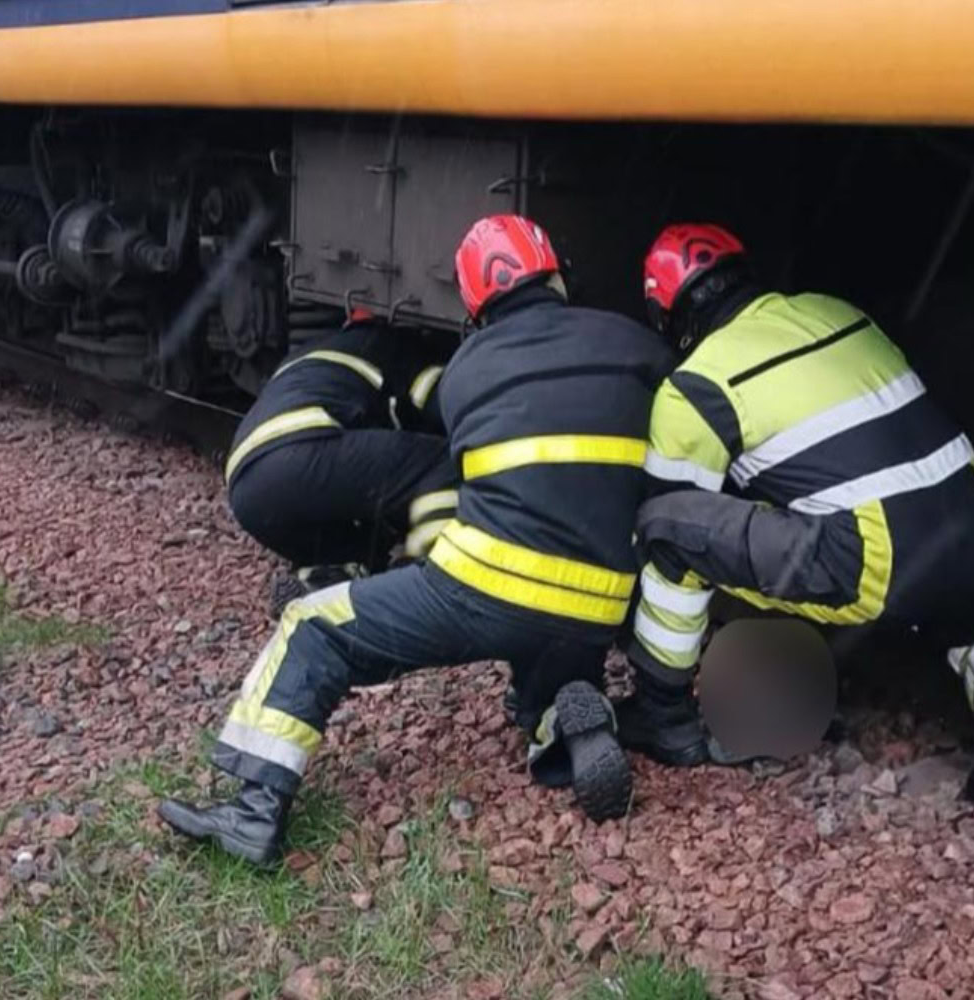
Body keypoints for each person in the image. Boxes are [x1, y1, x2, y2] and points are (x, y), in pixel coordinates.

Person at [160, 215, 676, 866]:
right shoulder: (634, 343)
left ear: (475, 303)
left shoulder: (467, 370)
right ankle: (572, 727)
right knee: (546, 665)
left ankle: (253, 811)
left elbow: (455, 458)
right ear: (557, 275)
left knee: (313, 625)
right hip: (597, 606)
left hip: (484, 587)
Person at [617, 223, 974, 807]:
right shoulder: (833, 310)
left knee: (669, 532)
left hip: (878, 556)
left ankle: (660, 714)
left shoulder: (696, 386)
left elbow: (674, 512)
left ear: (666, 312)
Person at [224, 308, 459, 609]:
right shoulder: (396, 346)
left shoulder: (311, 353)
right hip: (301, 452)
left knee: (355, 549)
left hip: (246, 492)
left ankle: (321, 584)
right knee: (439, 464)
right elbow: (443, 405)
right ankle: (425, 582)